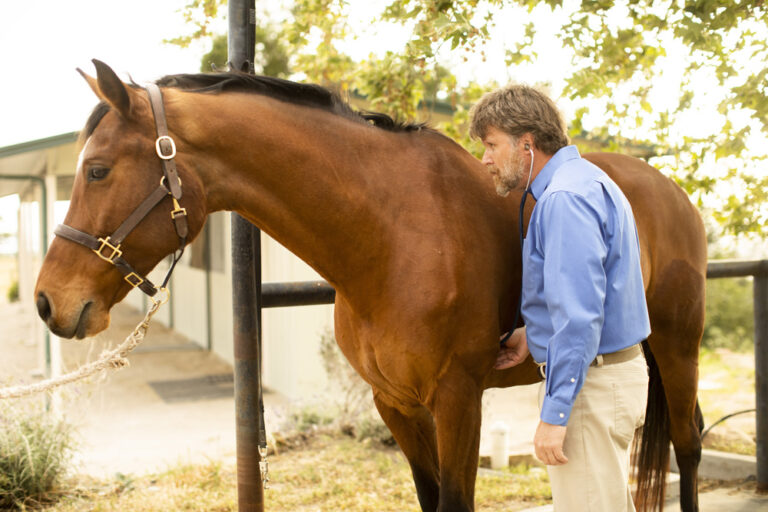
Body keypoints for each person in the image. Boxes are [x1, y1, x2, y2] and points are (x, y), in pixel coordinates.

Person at [469, 84, 651, 511]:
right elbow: (595, 295)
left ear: (526, 143)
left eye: (492, 145)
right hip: (608, 377)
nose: (485, 159)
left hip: (592, 388)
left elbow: (579, 318)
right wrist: (534, 334)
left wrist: (555, 414)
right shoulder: (587, 180)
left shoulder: (564, 200)